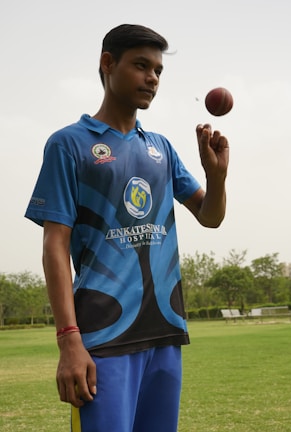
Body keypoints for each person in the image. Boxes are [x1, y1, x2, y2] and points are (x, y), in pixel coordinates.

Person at [25, 24, 229, 432]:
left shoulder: (161, 147)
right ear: (107, 64)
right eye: (141, 65)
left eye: (157, 71)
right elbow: (54, 245)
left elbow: (210, 216)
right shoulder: (69, 144)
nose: (152, 78)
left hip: (165, 333)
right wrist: (69, 340)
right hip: (103, 339)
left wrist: (217, 175)